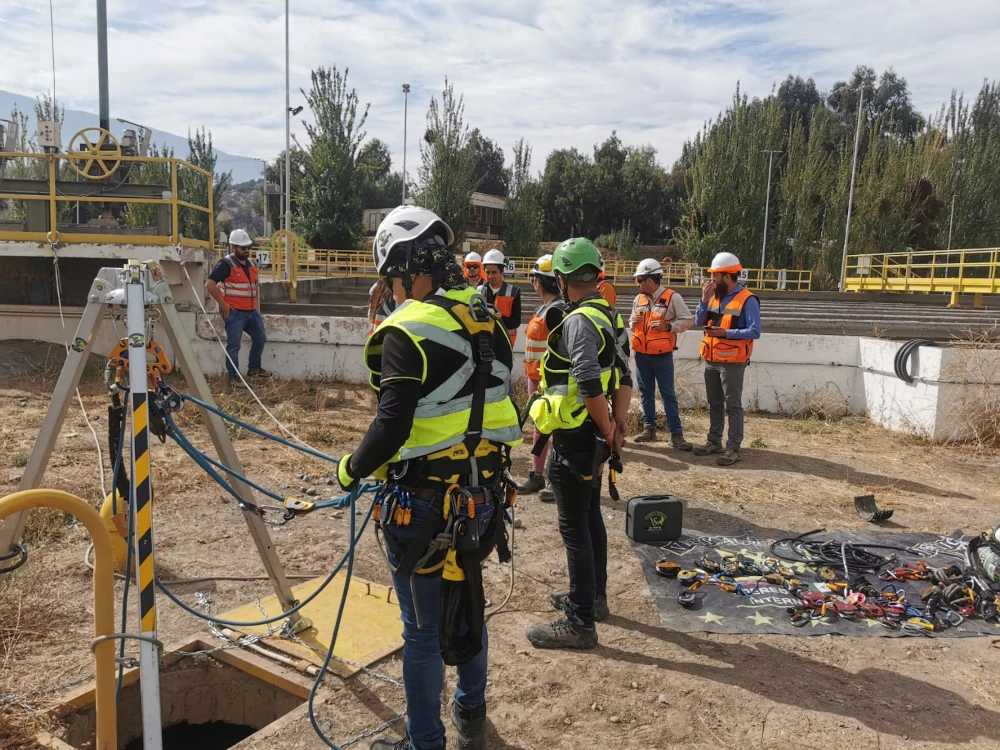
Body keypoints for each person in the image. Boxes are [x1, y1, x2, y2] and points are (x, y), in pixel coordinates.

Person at [336, 205, 522, 750]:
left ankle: (425, 742)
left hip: (423, 506)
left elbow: (391, 425)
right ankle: (470, 714)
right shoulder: (486, 319)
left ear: (404, 269)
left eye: (390, 280)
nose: (390, 292)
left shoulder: (408, 328)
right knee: (469, 606)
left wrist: (350, 469)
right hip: (481, 498)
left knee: (420, 632)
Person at [525, 238, 632, 650]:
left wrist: (606, 427)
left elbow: (587, 381)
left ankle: (580, 619)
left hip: (576, 437)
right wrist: (617, 425)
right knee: (590, 517)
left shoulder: (578, 321)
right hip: (595, 436)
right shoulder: (610, 316)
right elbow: (624, 376)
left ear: (562, 278)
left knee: (575, 527)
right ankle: (593, 597)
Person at [693, 251, 761, 466]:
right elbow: (699, 321)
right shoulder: (714, 297)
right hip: (711, 360)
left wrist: (726, 333)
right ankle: (714, 441)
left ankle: (733, 447)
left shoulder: (748, 300)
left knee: (733, 406)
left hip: (732, 363)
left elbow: (754, 331)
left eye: (715, 275)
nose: (712, 279)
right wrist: (703, 300)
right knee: (715, 403)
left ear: (727, 276)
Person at [629, 258, 694, 448]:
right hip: (642, 355)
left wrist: (668, 326)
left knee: (668, 394)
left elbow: (688, 320)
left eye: (639, 280)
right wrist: (632, 323)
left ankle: (676, 434)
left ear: (650, 280)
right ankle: (649, 428)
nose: (637, 284)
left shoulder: (672, 297)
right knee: (645, 393)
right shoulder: (638, 299)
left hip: (662, 355)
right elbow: (632, 323)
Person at [517, 254, 565, 501]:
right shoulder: (545, 308)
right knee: (540, 425)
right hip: (536, 377)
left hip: (549, 380)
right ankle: (537, 474)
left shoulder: (557, 310)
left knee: (555, 428)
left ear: (539, 282)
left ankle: (557, 479)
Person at [206, 228, 269, 386]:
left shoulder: (251, 264)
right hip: (235, 313)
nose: (246, 250)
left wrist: (256, 309)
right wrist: (224, 305)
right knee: (234, 345)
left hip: (251, 312)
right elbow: (210, 284)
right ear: (233, 247)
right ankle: (233, 377)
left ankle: (254, 368)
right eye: (243, 248)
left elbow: (254, 287)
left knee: (260, 338)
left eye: (248, 247)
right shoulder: (225, 264)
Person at [477, 249, 522, 347]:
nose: (490, 276)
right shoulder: (478, 291)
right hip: (484, 340)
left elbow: (516, 322)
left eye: (494, 272)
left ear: (502, 272)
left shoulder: (514, 292)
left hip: (504, 341)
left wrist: (501, 320)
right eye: (487, 272)